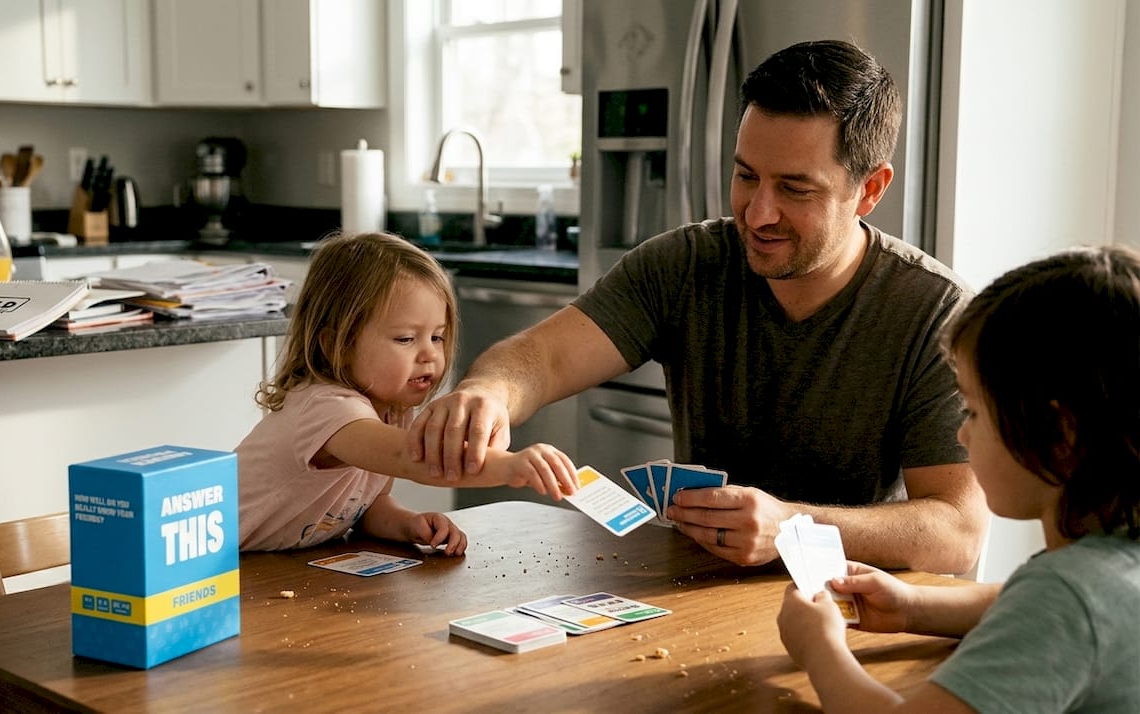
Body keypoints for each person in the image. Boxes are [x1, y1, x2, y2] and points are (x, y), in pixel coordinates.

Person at [407, 39, 987, 573]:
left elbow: (958, 533)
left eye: (795, 189)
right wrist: (488, 393)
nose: (758, 213)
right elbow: (544, 358)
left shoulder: (936, 313)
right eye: (745, 176)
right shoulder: (684, 264)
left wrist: (792, 525)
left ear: (870, 190)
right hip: (692, 592)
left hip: (851, 613)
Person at [777, 245, 1140, 713]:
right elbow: (1018, 605)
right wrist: (910, 606)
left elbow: (1049, 610)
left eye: (973, 411)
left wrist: (819, 649)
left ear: (1060, 434)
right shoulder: (1109, 561)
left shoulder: (1066, 596)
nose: (961, 434)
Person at [236, 231, 577, 554]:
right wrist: (511, 466)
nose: (429, 354)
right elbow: (411, 459)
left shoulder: (393, 411)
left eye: (437, 337)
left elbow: (364, 509)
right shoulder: (327, 410)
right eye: (405, 339)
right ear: (337, 347)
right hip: (208, 561)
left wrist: (408, 524)